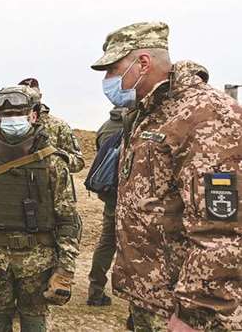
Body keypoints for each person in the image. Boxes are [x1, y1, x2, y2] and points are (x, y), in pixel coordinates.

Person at [92, 21, 242, 331]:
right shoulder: (149, 114)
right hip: (154, 301)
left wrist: (193, 312)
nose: (108, 80)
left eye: (112, 69)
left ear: (142, 63)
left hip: (188, 311)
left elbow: (222, 228)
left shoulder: (205, 114)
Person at [0, 85, 81, 332]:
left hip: (38, 259)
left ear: (33, 115)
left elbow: (68, 220)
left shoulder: (53, 162)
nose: (12, 120)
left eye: (18, 114)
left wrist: (65, 270)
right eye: (5, 116)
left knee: (34, 318)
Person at [86, 107, 125, 306]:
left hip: (111, 194)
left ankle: (95, 290)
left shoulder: (105, 127)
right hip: (137, 195)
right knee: (137, 247)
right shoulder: (143, 123)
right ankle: (137, 308)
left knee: (107, 241)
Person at [19, 77, 85, 173]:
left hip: (53, 186)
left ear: (40, 96)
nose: (30, 99)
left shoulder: (58, 125)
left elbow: (78, 162)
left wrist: (53, 157)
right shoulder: (10, 126)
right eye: (25, 96)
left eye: (33, 95)